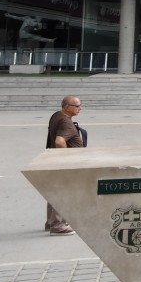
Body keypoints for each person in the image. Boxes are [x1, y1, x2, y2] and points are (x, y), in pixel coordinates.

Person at [45, 95, 83, 235]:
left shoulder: (56, 116)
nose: (80, 108)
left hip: (53, 159)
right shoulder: (66, 123)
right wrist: (66, 159)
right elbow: (59, 141)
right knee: (63, 192)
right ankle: (58, 225)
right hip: (64, 162)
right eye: (77, 106)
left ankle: (51, 222)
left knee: (55, 191)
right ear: (67, 107)